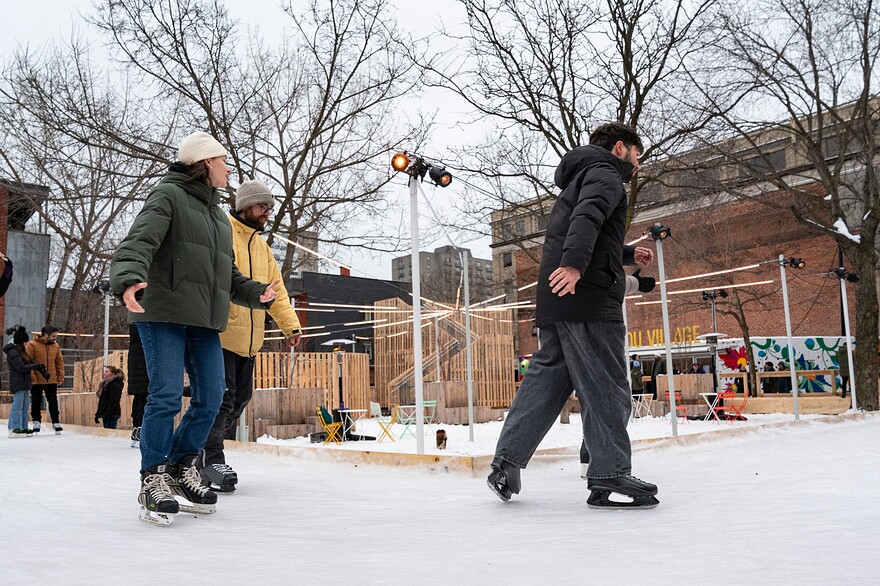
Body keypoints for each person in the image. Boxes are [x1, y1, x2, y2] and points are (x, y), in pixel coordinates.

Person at [110, 130, 281, 526]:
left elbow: (226, 275)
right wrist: (129, 278)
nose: (227, 169)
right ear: (206, 163)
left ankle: (184, 465)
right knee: (167, 395)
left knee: (212, 395)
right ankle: (153, 476)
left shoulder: (217, 218)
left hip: (203, 319)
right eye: (223, 162)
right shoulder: (167, 195)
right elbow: (137, 242)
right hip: (163, 313)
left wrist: (258, 293)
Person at [487, 122, 659, 509]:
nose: (638, 164)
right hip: (588, 298)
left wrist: (628, 254)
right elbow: (588, 219)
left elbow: (587, 228)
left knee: (545, 383)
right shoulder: (606, 172)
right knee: (608, 385)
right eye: (636, 155)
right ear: (621, 148)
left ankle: (506, 463)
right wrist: (576, 266)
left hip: (558, 299)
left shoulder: (581, 174)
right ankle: (609, 472)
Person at [199, 179, 302, 493]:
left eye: (269, 207)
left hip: (250, 339)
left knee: (240, 397)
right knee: (223, 398)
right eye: (261, 206)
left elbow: (277, 292)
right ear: (244, 205)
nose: (266, 212)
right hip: (221, 332)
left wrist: (290, 325)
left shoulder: (262, 247)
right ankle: (211, 458)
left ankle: (199, 449)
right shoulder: (223, 231)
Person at [5, 326, 49, 437]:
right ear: (19, 343)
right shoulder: (13, 352)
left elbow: (30, 361)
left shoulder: (22, 352)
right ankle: (14, 428)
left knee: (25, 407)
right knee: (17, 407)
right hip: (18, 383)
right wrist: (35, 366)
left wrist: (41, 368)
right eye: (24, 343)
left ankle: (23, 427)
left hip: (25, 383)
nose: (26, 345)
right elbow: (21, 367)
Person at [26, 325, 65, 434]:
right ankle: (36, 421)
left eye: (55, 336)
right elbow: (28, 362)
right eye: (53, 336)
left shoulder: (55, 346)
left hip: (51, 379)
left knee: (53, 401)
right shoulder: (32, 345)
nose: (55, 338)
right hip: (37, 380)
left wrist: (60, 376)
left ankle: (56, 422)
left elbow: (59, 362)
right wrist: (32, 378)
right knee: (36, 401)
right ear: (46, 335)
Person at [127, 324, 149, 448]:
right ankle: (140, 428)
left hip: (136, 370)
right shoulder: (145, 343)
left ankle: (136, 427)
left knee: (139, 397)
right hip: (143, 369)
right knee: (145, 398)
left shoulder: (134, 343)